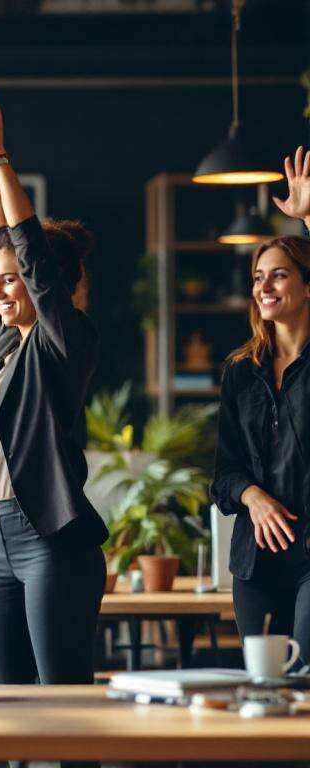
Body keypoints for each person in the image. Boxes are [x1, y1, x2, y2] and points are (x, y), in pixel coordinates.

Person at [0, 84, 107, 685]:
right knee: (6, 700)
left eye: (11, 282)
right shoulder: (7, 345)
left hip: (51, 541)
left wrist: (0, 159)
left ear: (46, 285)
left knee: (63, 702)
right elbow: (2, 245)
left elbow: (28, 253)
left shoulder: (64, 340)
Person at [212, 146, 310, 671]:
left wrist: (309, 220)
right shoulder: (240, 370)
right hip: (255, 561)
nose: (263, 287)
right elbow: (224, 472)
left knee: (305, 680)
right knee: (263, 684)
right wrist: (253, 498)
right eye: (257, 277)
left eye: (279, 275)